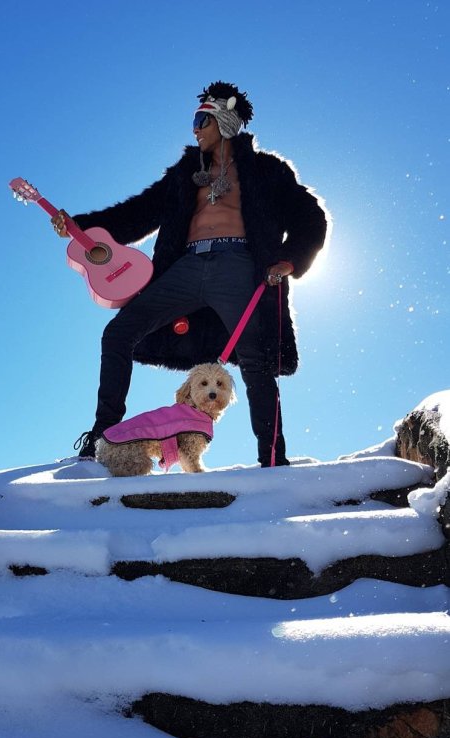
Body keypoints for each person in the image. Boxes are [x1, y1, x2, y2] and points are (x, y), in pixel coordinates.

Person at [52, 81, 328, 466]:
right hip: (186, 267)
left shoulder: (267, 170)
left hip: (239, 265)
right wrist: (81, 225)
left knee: (256, 358)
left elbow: (310, 217)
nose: (194, 129)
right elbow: (137, 212)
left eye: (201, 120)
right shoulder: (184, 175)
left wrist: (290, 258)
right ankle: (102, 439)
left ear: (225, 122)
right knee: (118, 333)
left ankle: (272, 460)